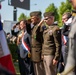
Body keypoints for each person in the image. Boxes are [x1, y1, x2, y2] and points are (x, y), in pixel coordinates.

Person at [58, 0, 76, 75]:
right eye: (62, 20)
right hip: (66, 55)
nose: (63, 21)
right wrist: (61, 59)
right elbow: (64, 33)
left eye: (65, 19)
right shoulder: (64, 30)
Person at [30, 11, 45, 75]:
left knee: (40, 71)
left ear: (38, 18)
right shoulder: (34, 27)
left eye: (33, 18)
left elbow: (43, 41)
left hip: (39, 52)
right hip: (34, 53)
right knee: (36, 71)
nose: (31, 20)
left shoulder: (41, 27)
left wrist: (43, 53)